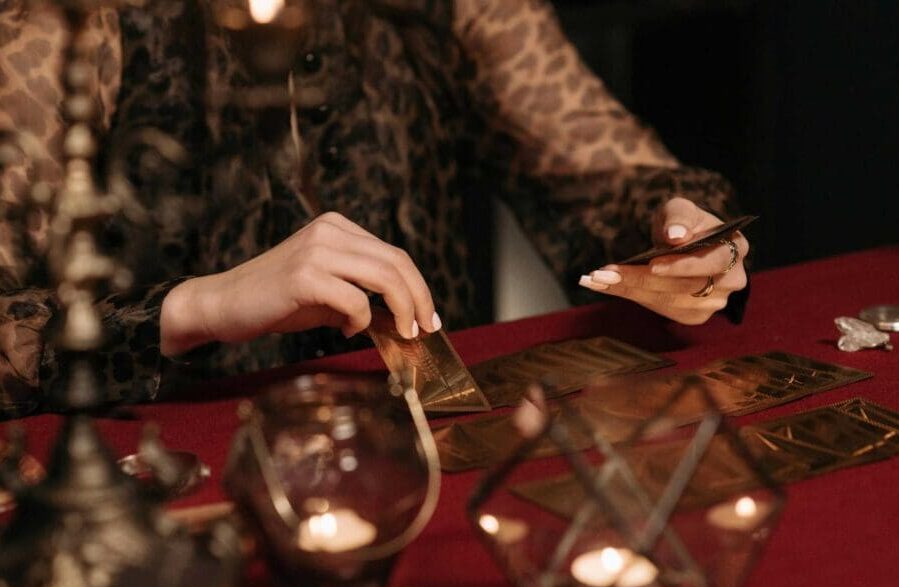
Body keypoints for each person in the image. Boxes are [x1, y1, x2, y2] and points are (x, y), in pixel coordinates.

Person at [0, 0, 749, 419]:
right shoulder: (63, 21)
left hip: (423, 470)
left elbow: (610, 176)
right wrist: (201, 306)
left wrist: (680, 238)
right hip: (160, 507)